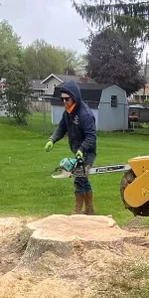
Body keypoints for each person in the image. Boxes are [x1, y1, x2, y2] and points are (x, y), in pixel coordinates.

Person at [45, 79, 98, 215]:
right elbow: (61, 128)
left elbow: (91, 136)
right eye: (62, 99)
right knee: (83, 179)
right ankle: (89, 210)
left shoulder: (85, 115)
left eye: (67, 99)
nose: (64, 101)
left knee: (79, 178)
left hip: (87, 152)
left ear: (74, 97)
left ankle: (77, 211)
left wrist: (82, 150)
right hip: (78, 151)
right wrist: (52, 140)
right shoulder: (68, 113)